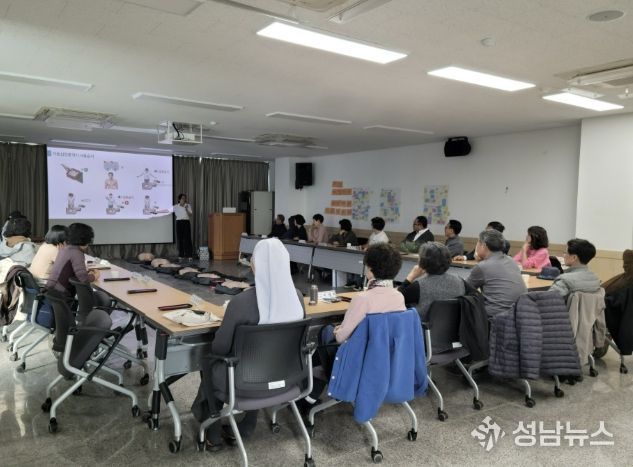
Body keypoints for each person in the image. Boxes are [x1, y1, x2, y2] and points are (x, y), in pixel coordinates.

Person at [191, 238, 305, 451]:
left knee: (210, 362)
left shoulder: (241, 303)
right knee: (257, 361)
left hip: (244, 383)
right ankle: (247, 426)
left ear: (255, 266)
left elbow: (220, 348)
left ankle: (213, 433)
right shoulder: (297, 298)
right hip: (287, 380)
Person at [301, 243, 406, 409]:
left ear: (370, 268)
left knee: (325, 334)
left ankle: (308, 397)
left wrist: (338, 330)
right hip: (386, 357)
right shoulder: (398, 297)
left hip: (359, 359)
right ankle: (309, 397)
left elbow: (341, 338)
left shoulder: (363, 299)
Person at [467, 229, 527, 318]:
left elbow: (464, 288)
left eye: (478, 242)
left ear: (483, 246)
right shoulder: (511, 260)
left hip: (494, 317)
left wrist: (480, 263)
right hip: (518, 314)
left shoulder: (483, 266)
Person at [398, 242, 466, 319]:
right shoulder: (460, 281)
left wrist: (410, 277)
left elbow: (395, 300)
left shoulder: (419, 286)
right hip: (453, 325)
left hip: (422, 326)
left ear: (422, 262)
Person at [46, 223, 102, 297]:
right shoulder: (77, 253)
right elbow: (83, 279)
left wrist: (87, 273)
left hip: (52, 293)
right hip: (62, 296)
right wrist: (95, 276)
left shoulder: (64, 249)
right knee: (101, 297)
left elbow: (71, 271)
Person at [173, 193, 193, 259]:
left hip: (186, 222)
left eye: (185, 198)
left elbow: (190, 214)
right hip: (179, 222)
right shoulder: (175, 206)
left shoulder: (188, 205)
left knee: (187, 239)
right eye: (182, 198)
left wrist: (186, 208)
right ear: (179, 199)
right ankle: (181, 255)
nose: (184, 199)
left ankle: (189, 254)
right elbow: (167, 210)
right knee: (180, 239)